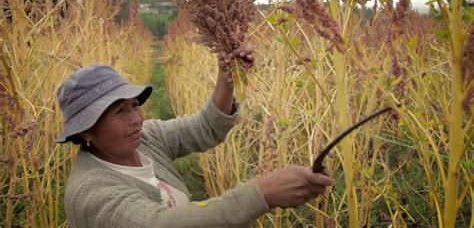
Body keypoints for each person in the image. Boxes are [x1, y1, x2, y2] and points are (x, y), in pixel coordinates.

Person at [57, 46, 333, 227]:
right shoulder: (90, 192)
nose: (136, 118)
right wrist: (260, 194)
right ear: (86, 130)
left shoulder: (147, 139)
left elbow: (205, 128)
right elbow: (160, 224)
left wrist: (226, 80)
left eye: (135, 105)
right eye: (119, 111)